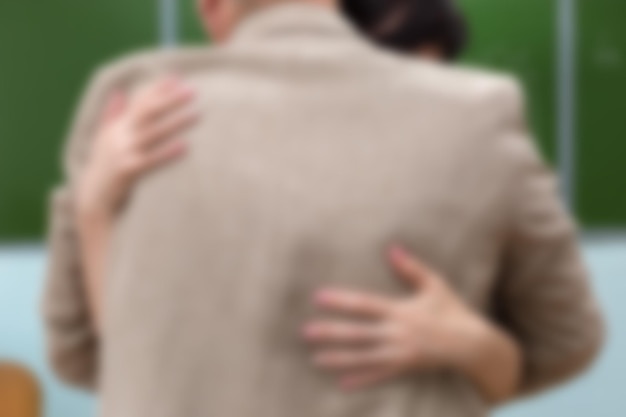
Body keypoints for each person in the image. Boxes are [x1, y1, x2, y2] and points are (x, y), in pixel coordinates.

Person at [42, 0, 604, 416]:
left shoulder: (128, 104)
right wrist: (481, 350)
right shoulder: (482, 114)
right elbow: (565, 342)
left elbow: (92, 360)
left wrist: (93, 209)